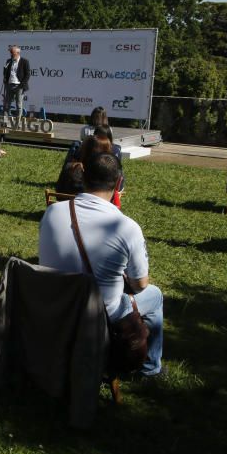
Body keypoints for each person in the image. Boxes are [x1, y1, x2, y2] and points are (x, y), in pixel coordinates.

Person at [39, 152, 164, 378]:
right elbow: (141, 284)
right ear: (118, 183)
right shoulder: (126, 227)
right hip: (97, 315)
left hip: (53, 307)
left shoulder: (52, 212)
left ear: (83, 177)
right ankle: (150, 368)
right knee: (154, 295)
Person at [56, 130, 123, 203]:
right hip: (92, 210)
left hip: (65, 207)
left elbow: (59, 192)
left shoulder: (70, 166)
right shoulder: (103, 173)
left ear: (83, 149)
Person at [2, 45, 30, 119]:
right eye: (11, 53)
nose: (11, 54)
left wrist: (22, 85)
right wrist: (5, 80)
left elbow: (28, 74)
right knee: (6, 104)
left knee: (18, 105)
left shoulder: (25, 61)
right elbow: (5, 72)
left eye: (13, 53)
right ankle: (5, 121)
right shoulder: (8, 61)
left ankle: (18, 123)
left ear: (18, 53)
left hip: (19, 86)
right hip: (9, 85)